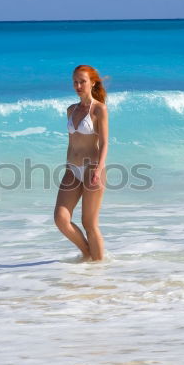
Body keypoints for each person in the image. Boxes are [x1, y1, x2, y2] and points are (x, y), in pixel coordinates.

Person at [54, 64, 108, 261]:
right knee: (61, 218)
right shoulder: (71, 110)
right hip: (72, 170)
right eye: (75, 82)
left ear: (92, 83)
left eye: (82, 81)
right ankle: (87, 254)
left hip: (92, 169)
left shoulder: (99, 109)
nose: (78, 85)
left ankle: (100, 270)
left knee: (89, 224)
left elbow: (104, 143)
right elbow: (71, 143)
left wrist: (99, 170)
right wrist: (69, 167)